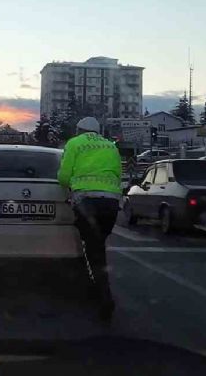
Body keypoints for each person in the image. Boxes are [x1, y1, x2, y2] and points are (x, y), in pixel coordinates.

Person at [57, 117, 122, 321]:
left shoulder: (75, 143)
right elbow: (118, 173)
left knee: (92, 248)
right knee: (98, 245)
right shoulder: (110, 146)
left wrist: (68, 187)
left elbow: (64, 176)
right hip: (110, 202)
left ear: (79, 129)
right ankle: (99, 288)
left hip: (86, 201)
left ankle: (102, 295)